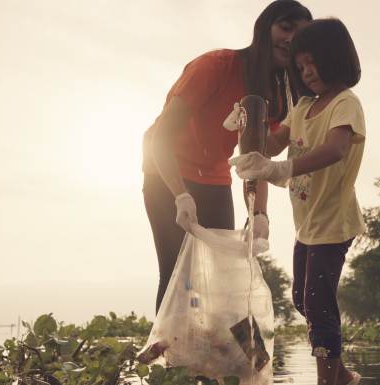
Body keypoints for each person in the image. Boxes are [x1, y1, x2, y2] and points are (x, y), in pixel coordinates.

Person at [142, 1, 312, 314]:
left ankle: (218, 357)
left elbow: (255, 160)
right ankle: (171, 359)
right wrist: (180, 195)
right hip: (165, 172)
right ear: (264, 29)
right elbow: (161, 137)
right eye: (285, 28)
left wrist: (259, 213)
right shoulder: (215, 65)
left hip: (214, 176)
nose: (290, 39)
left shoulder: (275, 93)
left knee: (220, 276)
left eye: (300, 35)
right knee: (177, 271)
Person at [230, 18, 364, 385]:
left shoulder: (344, 104)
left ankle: (327, 380)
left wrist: (283, 168)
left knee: (319, 307)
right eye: (301, 67)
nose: (307, 73)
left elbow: (336, 150)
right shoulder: (303, 107)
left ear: (335, 58)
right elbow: (269, 145)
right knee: (302, 301)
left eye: (313, 63)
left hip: (334, 222)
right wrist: (247, 125)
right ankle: (343, 376)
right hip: (308, 225)